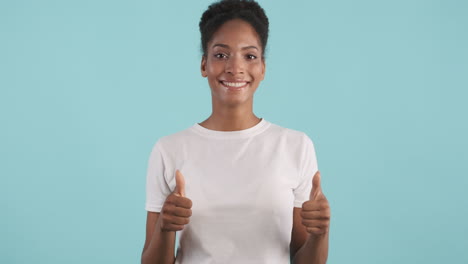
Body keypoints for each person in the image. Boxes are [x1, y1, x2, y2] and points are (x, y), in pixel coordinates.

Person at [141, 0, 331, 263]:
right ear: (203, 65)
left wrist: (320, 234)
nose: (235, 67)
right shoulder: (169, 149)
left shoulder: (296, 146)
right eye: (221, 55)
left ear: (262, 68)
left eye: (250, 56)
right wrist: (165, 226)